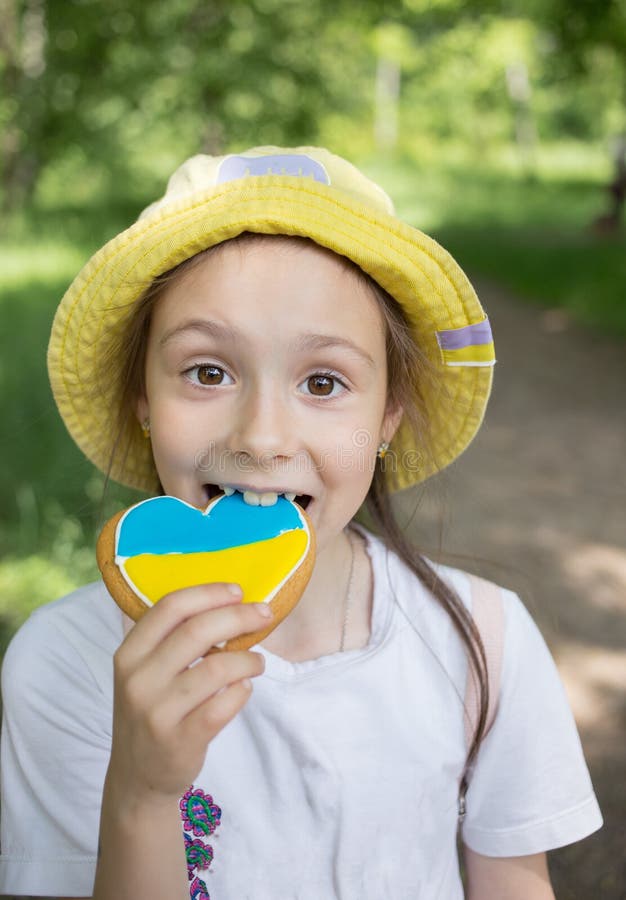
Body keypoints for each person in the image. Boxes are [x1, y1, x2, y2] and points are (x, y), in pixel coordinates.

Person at [0, 146, 602, 899]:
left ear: (389, 415)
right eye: (207, 371)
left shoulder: (483, 640)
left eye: (323, 381)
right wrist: (143, 796)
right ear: (143, 403)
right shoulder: (62, 664)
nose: (260, 436)